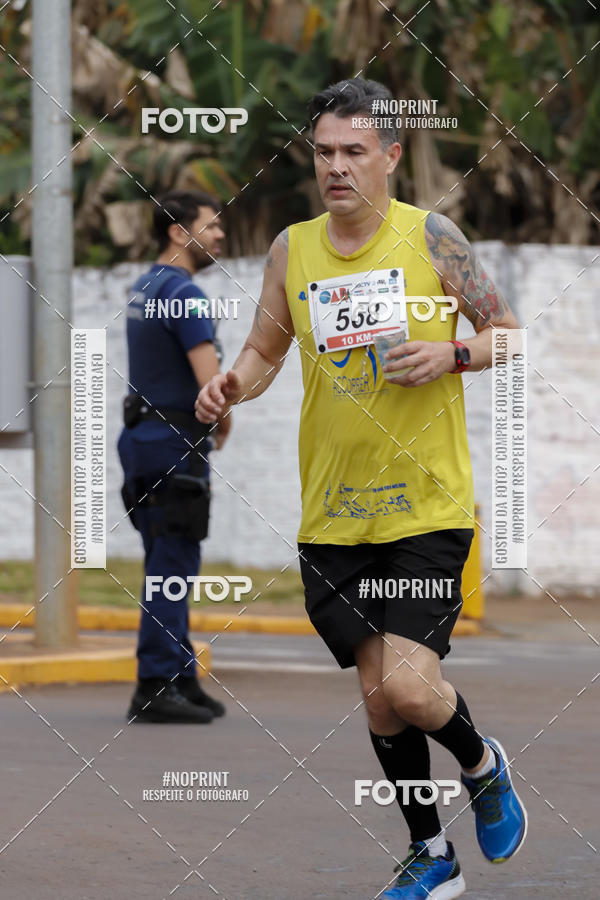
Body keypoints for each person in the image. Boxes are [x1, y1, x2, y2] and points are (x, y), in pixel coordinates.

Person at [195, 77, 527, 897]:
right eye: (324, 153)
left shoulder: (434, 237)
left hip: (424, 507)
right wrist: (232, 384)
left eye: (353, 152)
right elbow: (267, 351)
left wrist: (453, 355)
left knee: (411, 688)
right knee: (380, 703)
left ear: (390, 154)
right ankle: (432, 857)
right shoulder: (292, 249)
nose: (336, 167)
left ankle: (483, 766)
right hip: (333, 518)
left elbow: (509, 339)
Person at [118, 189, 229, 724]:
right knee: (174, 564)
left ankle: (181, 674)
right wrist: (224, 421)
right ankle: (157, 683)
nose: (220, 236)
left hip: (141, 439)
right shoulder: (185, 295)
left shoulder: (144, 288)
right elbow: (212, 383)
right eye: (211, 226)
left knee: (165, 560)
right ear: (177, 232)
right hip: (175, 445)